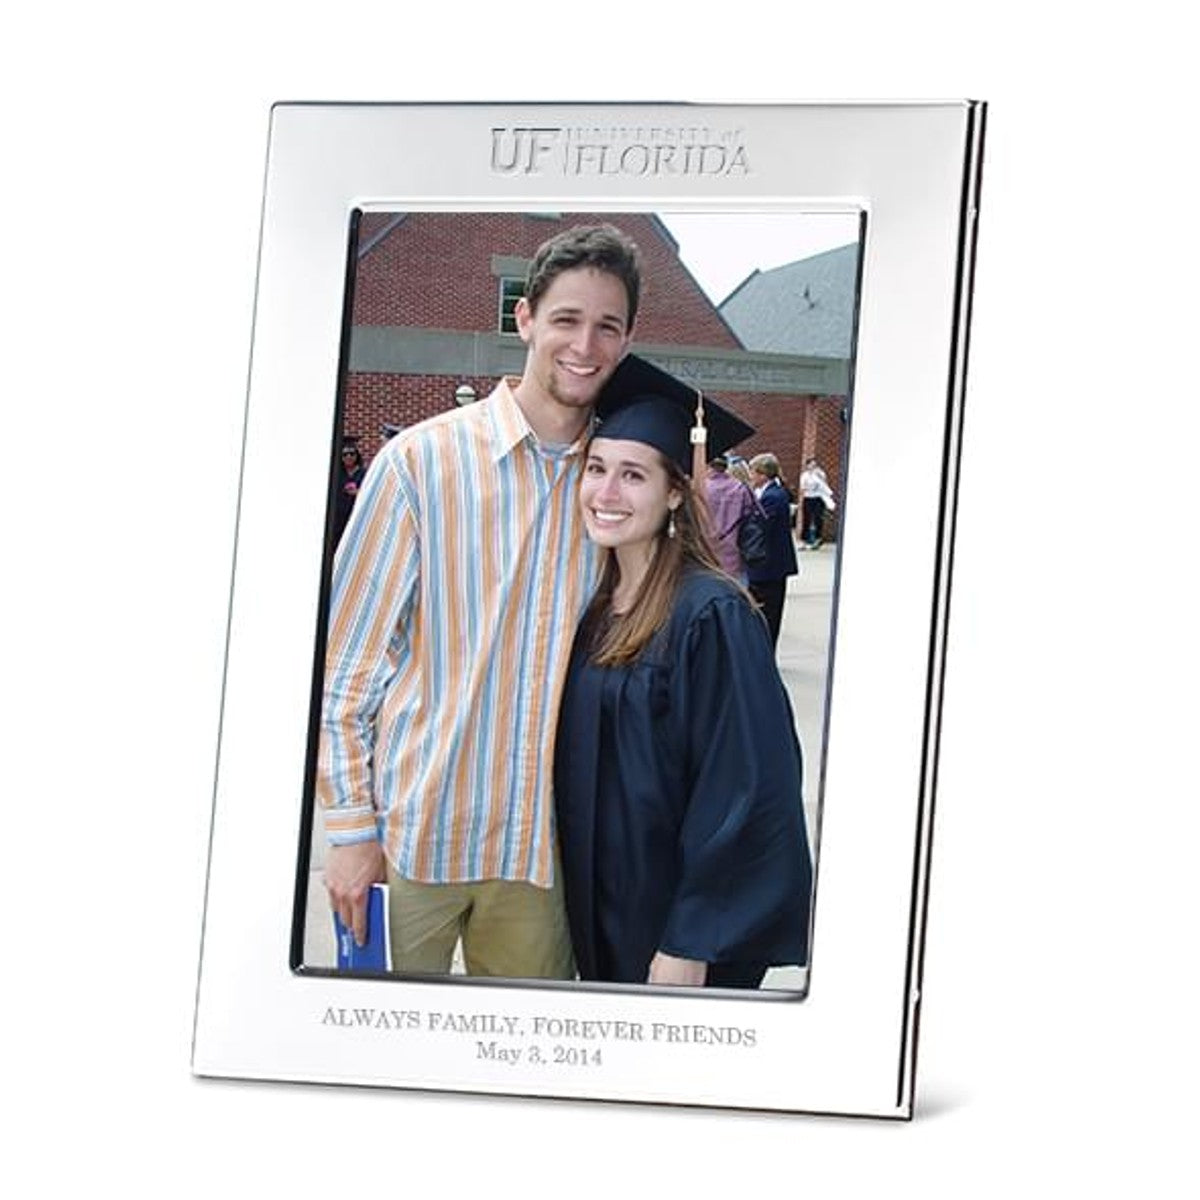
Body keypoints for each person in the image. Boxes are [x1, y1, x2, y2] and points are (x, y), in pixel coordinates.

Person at [318, 224, 642, 977]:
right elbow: (346, 664)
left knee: (522, 1048)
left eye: (607, 326)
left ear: (627, 340)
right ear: (524, 318)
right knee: (389, 1042)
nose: (584, 346)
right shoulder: (420, 462)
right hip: (412, 839)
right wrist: (350, 829)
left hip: (540, 855)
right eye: (566, 319)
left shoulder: (616, 488)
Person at [554, 356, 813, 989]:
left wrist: (691, 939)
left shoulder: (711, 614)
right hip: (605, 912)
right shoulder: (597, 606)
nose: (606, 493)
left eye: (633, 475)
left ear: (675, 492)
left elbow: (746, 787)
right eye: (596, 469)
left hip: (674, 932)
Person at [747, 452, 799, 648]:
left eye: (752, 472)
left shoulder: (772, 497)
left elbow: (760, 527)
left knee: (769, 615)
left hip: (770, 566)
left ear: (763, 474)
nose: (750, 476)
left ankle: (766, 651)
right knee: (767, 613)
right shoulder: (771, 493)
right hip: (771, 565)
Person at [704, 454, 756, 584]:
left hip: (706, 554)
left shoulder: (700, 489)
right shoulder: (741, 488)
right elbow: (751, 519)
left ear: (709, 466)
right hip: (735, 556)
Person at [333, 437, 365, 546]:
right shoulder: (337, 474)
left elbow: (368, 493)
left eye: (352, 454)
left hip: (355, 516)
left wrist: (358, 492)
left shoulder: (363, 473)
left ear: (357, 456)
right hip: (338, 519)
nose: (349, 457)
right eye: (345, 454)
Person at [799, 456, 835, 548]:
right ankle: (805, 540)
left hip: (818, 498)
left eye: (814, 464)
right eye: (811, 464)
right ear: (807, 466)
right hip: (808, 498)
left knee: (818, 519)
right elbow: (803, 488)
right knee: (807, 519)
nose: (812, 466)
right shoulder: (805, 476)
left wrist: (819, 477)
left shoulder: (820, 474)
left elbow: (824, 485)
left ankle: (817, 539)